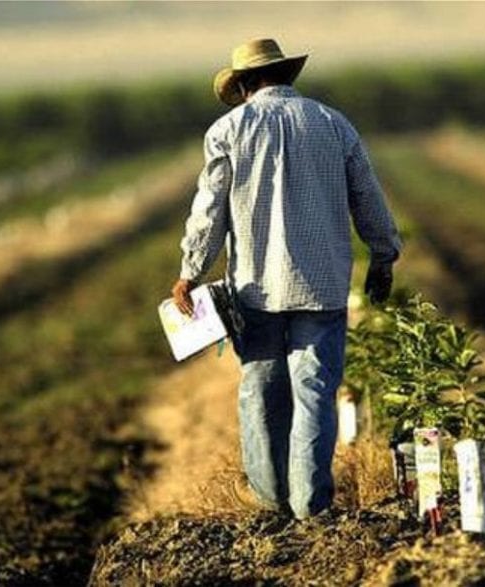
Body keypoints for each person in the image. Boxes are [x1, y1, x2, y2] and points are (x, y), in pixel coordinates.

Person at [172, 38, 401, 520]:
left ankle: (271, 502)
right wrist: (384, 256)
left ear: (245, 84)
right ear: (284, 77)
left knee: (260, 392)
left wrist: (190, 272)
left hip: (255, 288)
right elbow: (367, 196)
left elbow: (209, 210)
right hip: (322, 285)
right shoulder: (332, 124)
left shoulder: (227, 131)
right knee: (316, 392)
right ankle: (310, 507)